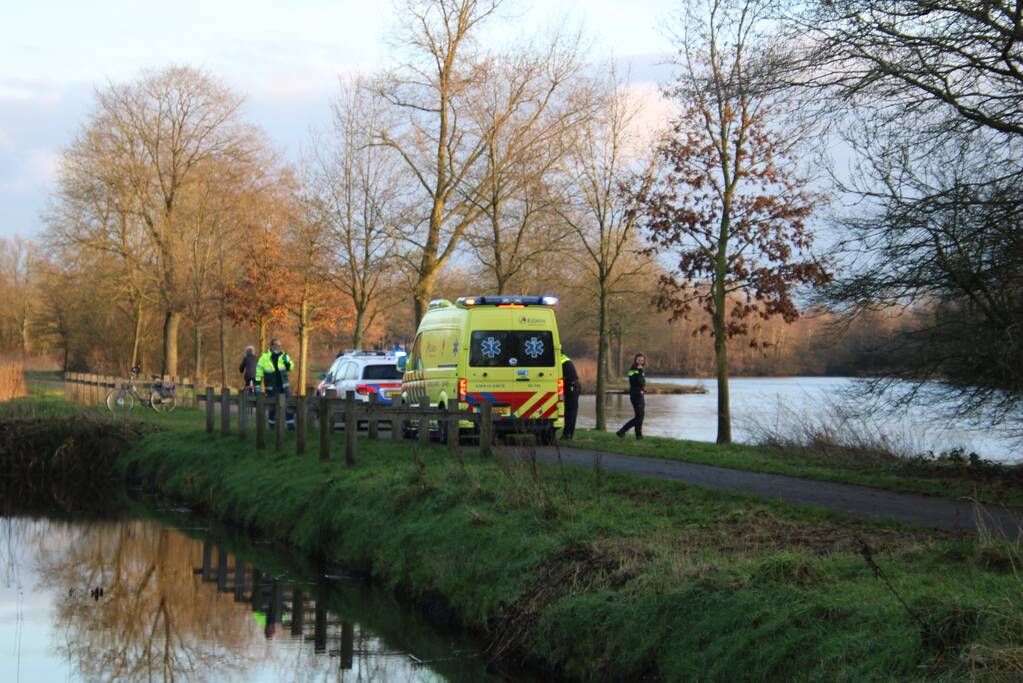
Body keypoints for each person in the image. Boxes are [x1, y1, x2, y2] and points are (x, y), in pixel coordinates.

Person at [255, 338, 295, 429]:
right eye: (277, 345)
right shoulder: (264, 358)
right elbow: (258, 374)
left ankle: (290, 426)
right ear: (271, 346)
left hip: (284, 386)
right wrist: (257, 388)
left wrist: (287, 362)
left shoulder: (284, 355)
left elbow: (291, 367)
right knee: (272, 406)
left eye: (280, 345)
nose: (279, 347)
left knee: (289, 405)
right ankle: (272, 427)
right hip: (271, 387)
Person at [616, 353, 646, 439]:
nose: (640, 361)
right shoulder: (632, 370)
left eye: (642, 360)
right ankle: (622, 431)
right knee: (639, 416)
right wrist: (640, 372)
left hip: (640, 394)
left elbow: (642, 383)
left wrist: (640, 374)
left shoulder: (640, 370)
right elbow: (639, 382)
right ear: (635, 360)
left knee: (640, 416)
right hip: (636, 395)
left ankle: (638, 435)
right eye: (639, 360)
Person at [560, 352, 581, 440]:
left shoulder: (560, 361)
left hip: (571, 387)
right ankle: (568, 434)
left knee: (570, 412)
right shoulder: (564, 359)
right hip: (573, 386)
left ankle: (567, 435)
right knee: (571, 412)